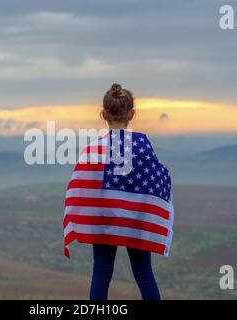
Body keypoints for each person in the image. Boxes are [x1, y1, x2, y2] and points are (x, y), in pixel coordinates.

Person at [63, 83, 174, 300]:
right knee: (143, 272)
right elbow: (156, 180)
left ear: (103, 114)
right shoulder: (142, 147)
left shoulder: (93, 149)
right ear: (132, 114)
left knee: (101, 273)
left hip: (103, 220)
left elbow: (79, 185)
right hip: (136, 220)